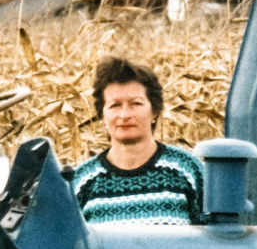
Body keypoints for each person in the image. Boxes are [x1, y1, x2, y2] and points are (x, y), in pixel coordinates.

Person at [71, 57, 204, 224]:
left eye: (135, 103)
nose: (125, 115)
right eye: (115, 105)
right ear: (102, 116)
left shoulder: (187, 170)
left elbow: (217, 241)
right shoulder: (81, 181)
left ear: (154, 111)